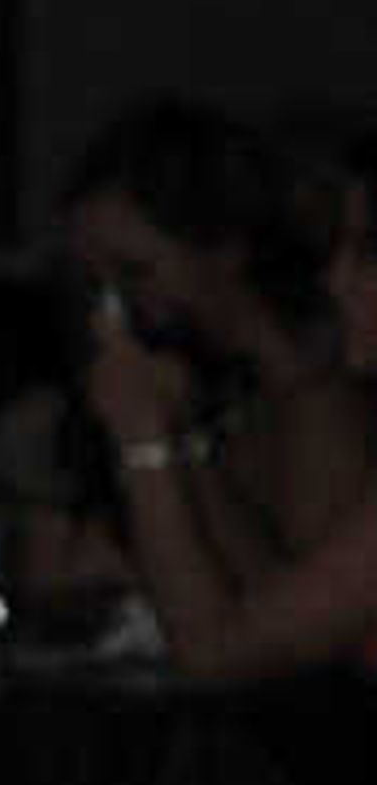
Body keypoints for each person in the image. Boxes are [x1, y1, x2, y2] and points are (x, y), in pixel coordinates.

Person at [67, 97, 377, 684]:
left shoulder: (319, 408)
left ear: (225, 250)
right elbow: (275, 599)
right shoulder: (235, 395)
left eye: (135, 272)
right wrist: (176, 445)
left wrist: (145, 446)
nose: (337, 281)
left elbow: (225, 655)